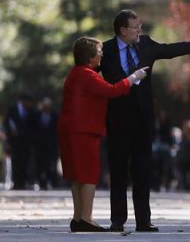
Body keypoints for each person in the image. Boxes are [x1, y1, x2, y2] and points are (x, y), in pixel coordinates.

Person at [100, 9, 190, 232]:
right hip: (117, 120)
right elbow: (88, 73)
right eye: (135, 27)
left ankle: (143, 221)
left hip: (143, 120)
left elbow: (173, 50)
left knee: (143, 171)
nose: (140, 30)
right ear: (122, 30)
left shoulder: (146, 44)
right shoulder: (106, 50)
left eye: (140, 26)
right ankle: (117, 220)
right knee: (119, 171)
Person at [58, 36, 149, 233]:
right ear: (90, 58)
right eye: (99, 54)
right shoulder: (86, 76)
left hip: (72, 128)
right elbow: (112, 90)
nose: (102, 57)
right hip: (84, 130)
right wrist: (134, 77)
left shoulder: (77, 73)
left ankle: (78, 217)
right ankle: (87, 218)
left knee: (77, 176)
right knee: (89, 174)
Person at [3, 94, 37, 190]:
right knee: (15, 162)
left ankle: (23, 182)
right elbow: (7, 124)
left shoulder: (30, 111)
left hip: (26, 142)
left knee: (25, 162)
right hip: (14, 141)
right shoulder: (12, 110)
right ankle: (16, 182)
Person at [35, 97, 58, 190]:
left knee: (51, 165)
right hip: (40, 145)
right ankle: (41, 182)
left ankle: (51, 182)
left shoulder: (55, 115)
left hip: (51, 145)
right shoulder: (37, 115)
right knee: (39, 164)